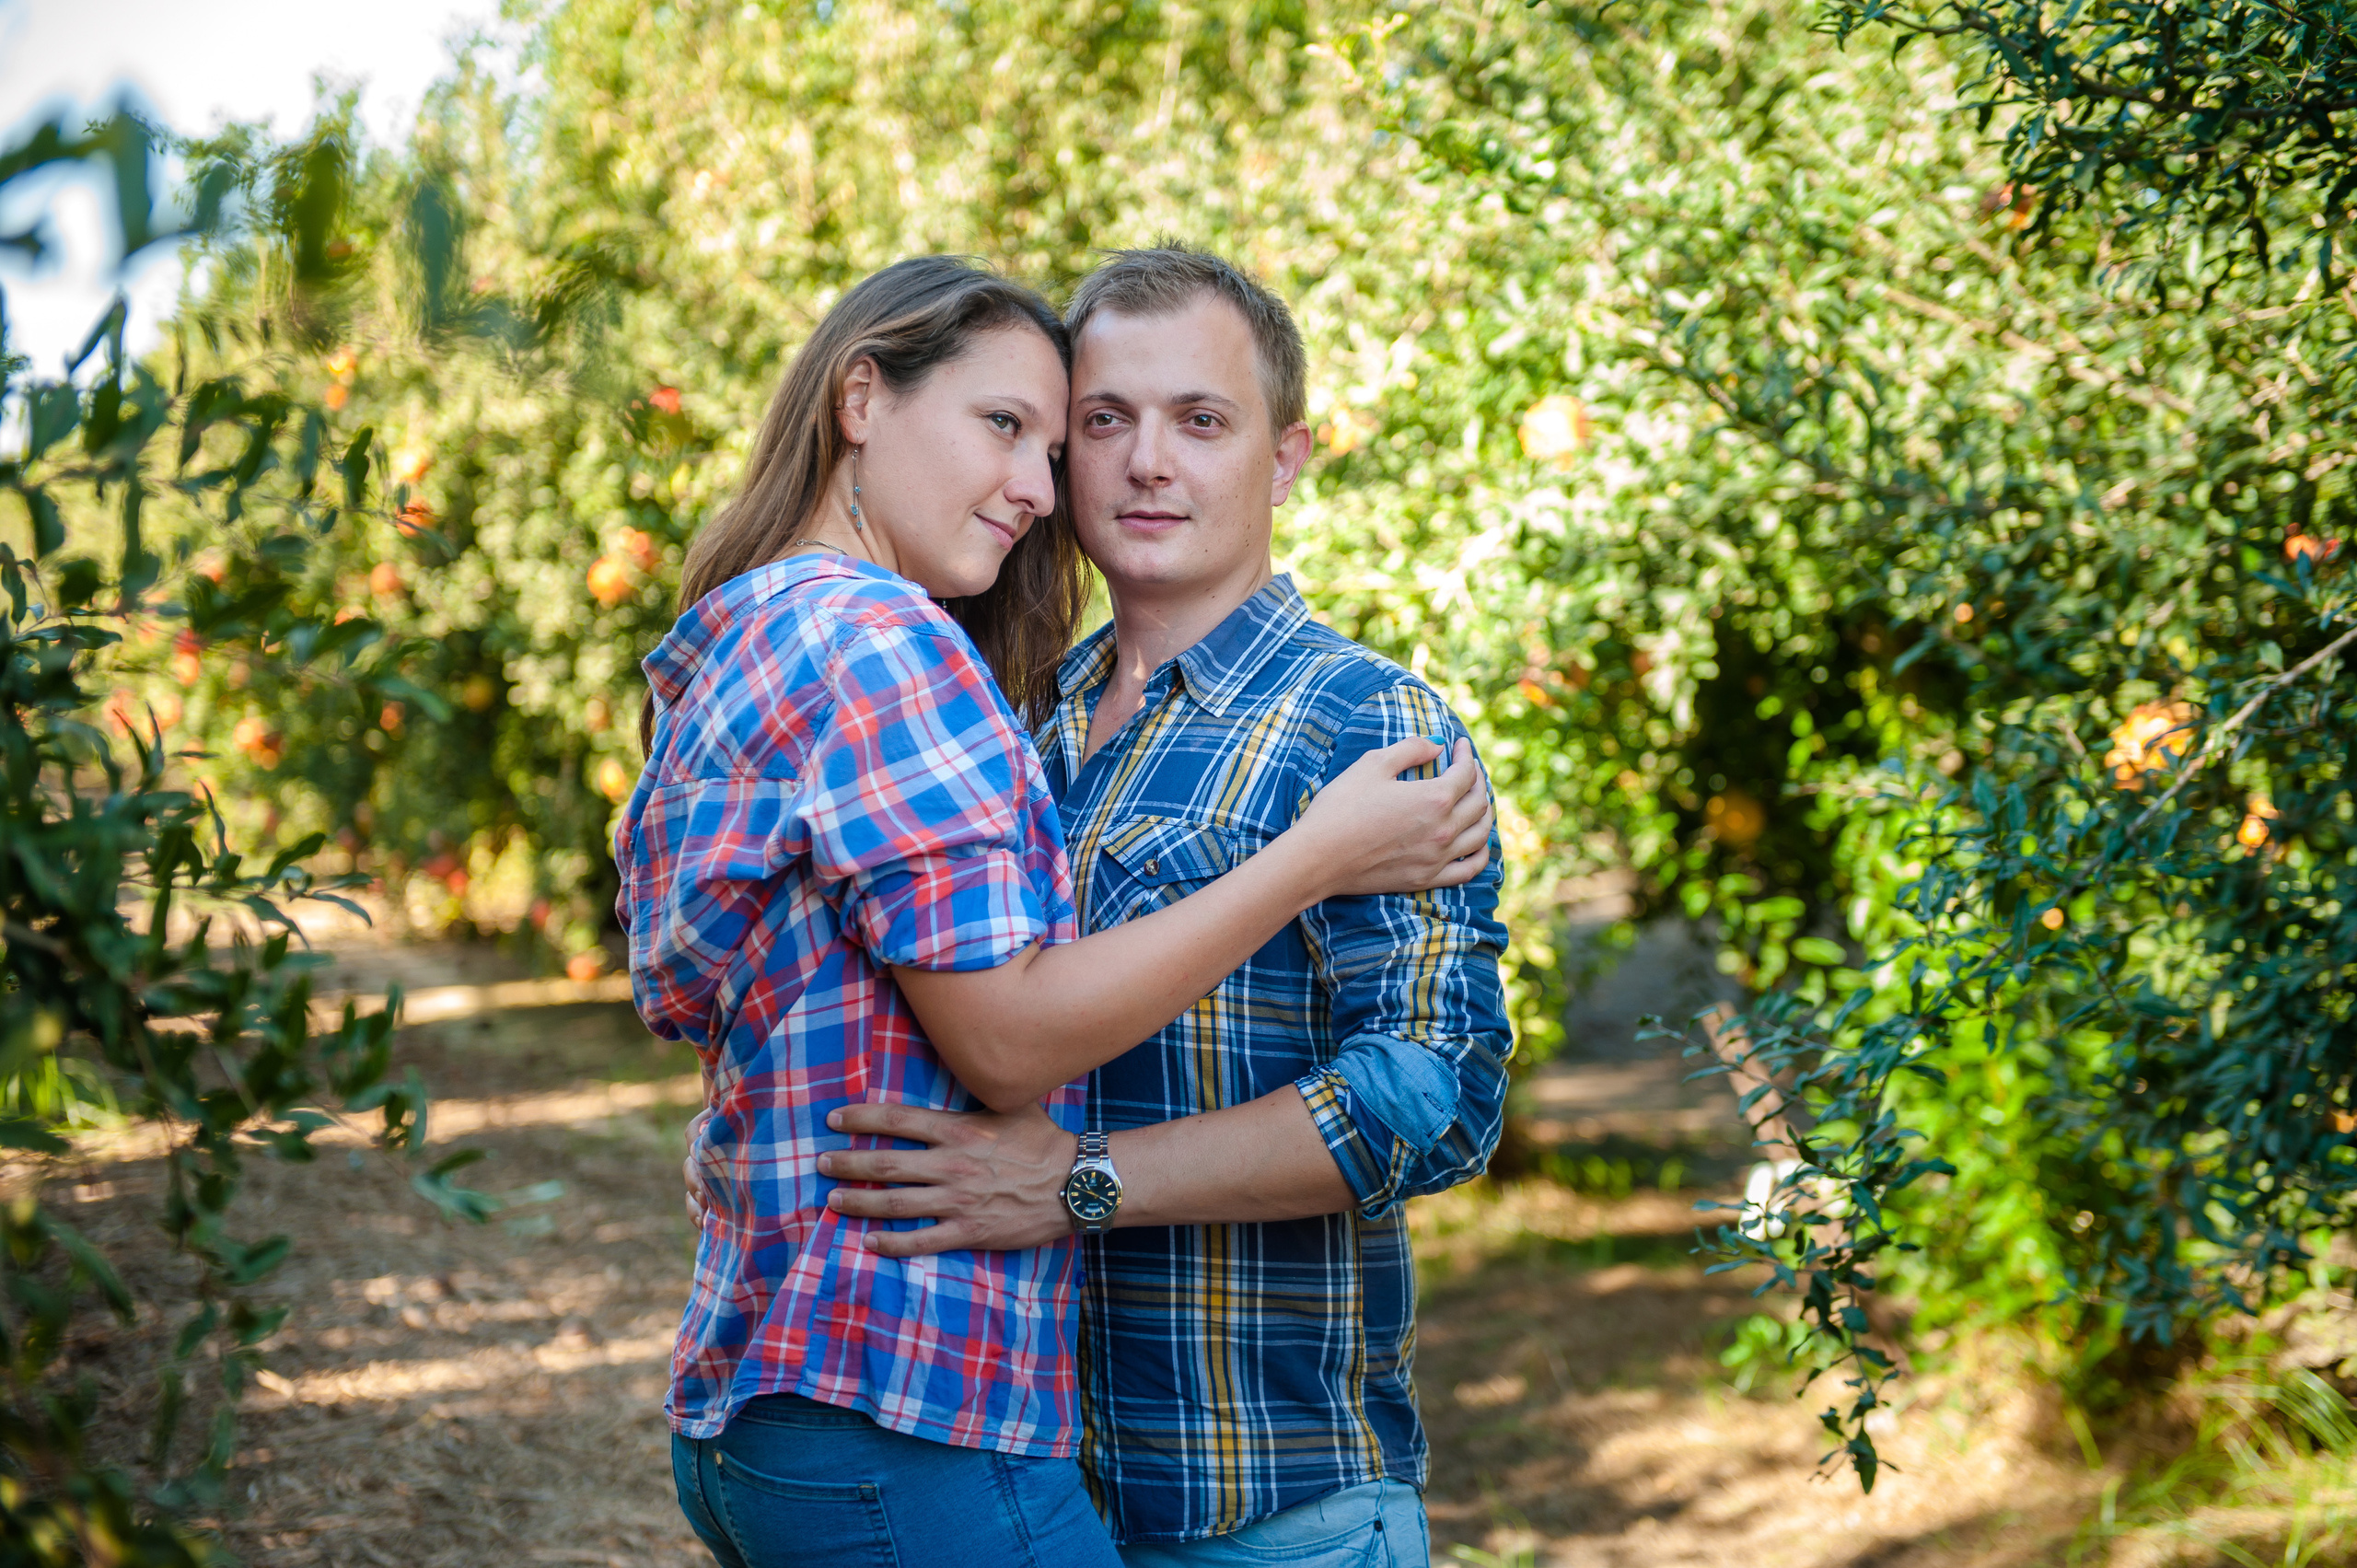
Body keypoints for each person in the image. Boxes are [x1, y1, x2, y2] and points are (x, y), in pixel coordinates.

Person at [619, 255, 1492, 1568]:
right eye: (1102, 421)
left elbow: (1435, 1096)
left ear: (1284, 459)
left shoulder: (1364, 727)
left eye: (1202, 420)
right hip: (1002, 1463)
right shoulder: (1015, 713)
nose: (1147, 462)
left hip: (1257, 1499)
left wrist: (1083, 1183)